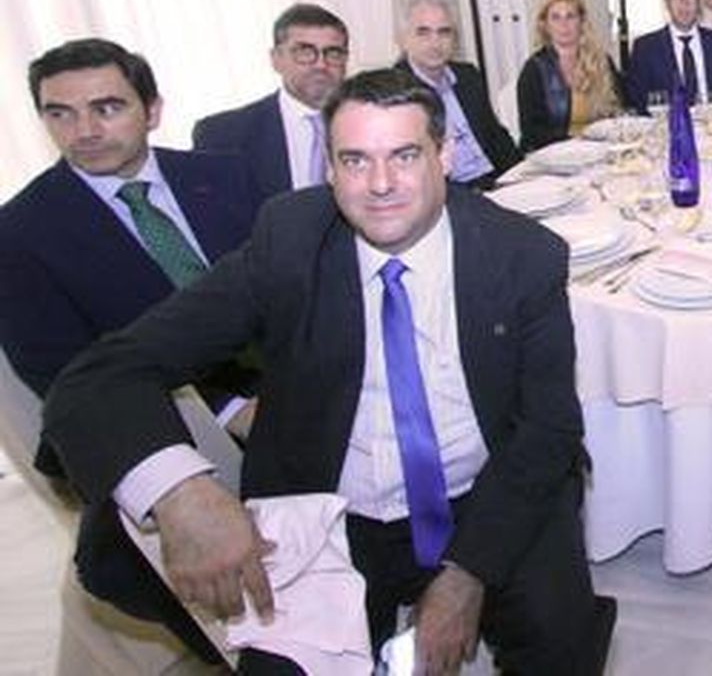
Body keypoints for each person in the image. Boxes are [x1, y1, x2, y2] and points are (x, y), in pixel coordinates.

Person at [43, 69, 615, 675]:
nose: (381, 184)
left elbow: (548, 429)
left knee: (561, 645)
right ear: (330, 169)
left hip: (485, 495)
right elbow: (100, 376)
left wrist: (467, 573)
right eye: (355, 160)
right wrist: (181, 494)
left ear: (444, 155)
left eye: (405, 155)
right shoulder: (288, 239)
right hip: (333, 509)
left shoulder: (523, 254)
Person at [0, 38, 261, 659]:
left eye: (107, 107)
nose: (83, 130)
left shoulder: (222, 173)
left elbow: (291, 294)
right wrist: (230, 412)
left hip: (291, 385)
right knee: (125, 560)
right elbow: (70, 380)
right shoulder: (21, 233)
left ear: (153, 108)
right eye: (59, 113)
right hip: (158, 422)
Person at [193, 4, 350, 197]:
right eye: (305, 52)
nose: (321, 64)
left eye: (333, 53)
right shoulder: (223, 136)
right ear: (276, 59)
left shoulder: (371, 124)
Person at [394, 0, 518, 190]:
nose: (435, 43)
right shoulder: (396, 91)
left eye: (444, 32)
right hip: (451, 193)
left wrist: (522, 175)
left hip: (495, 181)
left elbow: (495, 135)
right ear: (403, 39)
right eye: (423, 32)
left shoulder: (468, 75)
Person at [515, 0, 623, 152]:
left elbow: (622, 109)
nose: (563, 25)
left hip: (601, 152)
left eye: (570, 16)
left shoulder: (602, 61)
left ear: (581, 21)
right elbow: (532, 132)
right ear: (545, 25)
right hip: (554, 158)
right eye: (555, 18)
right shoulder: (534, 69)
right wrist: (578, 143)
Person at [626, 0, 712, 110]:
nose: (684, 3)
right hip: (666, 127)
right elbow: (638, 101)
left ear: (699, 1)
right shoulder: (645, 48)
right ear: (667, 3)